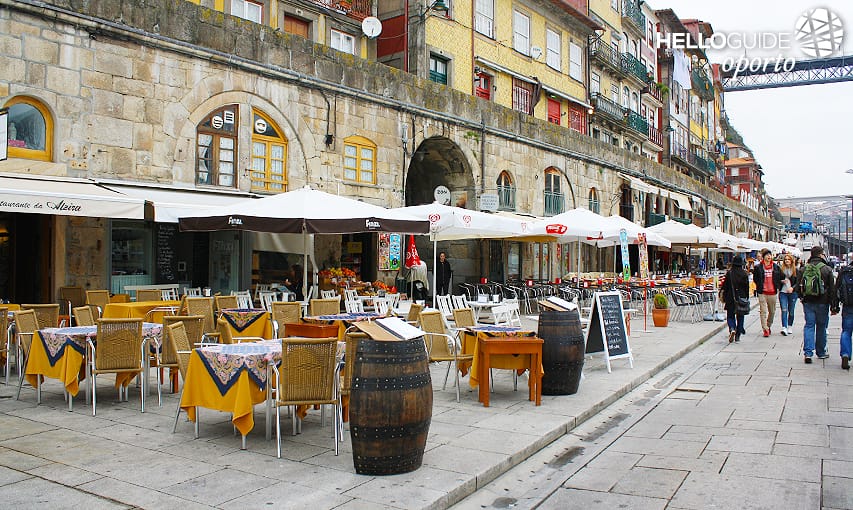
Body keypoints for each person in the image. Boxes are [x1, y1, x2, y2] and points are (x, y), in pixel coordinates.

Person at [797, 245, 836, 364]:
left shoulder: (804, 269)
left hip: (808, 302)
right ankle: (821, 352)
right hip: (823, 302)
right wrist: (834, 305)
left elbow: (798, 285)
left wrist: (801, 297)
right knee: (821, 327)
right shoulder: (827, 269)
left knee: (809, 325)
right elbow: (832, 289)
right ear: (820, 254)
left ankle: (808, 353)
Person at [752, 248, 783, 337]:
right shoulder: (758, 267)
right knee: (763, 311)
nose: (769, 256)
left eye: (770, 255)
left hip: (772, 292)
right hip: (763, 292)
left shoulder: (776, 267)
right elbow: (755, 279)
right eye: (767, 255)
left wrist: (779, 285)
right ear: (763, 257)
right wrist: (759, 286)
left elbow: (781, 276)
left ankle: (768, 325)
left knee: (772, 311)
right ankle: (765, 329)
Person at [722, 255, 750, 343]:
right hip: (741, 297)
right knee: (740, 316)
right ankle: (738, 335)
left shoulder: (729, 273)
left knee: (730, 315)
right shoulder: (744, 274)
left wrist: (724, 296)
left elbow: (725, 286)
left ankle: (732, 328)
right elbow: (747, 287)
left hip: (730, 297)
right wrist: (746, 297)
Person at [833, 263, 853, 370]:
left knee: (846, 331)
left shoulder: (845, 271)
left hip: (848, 306)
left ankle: (845, 354)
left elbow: (837, 288)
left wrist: (835, 306)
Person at [777, 254, 799, 336]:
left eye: (788, 259)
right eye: (785, 259)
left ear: (791, 261)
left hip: (792, 293)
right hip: (783, 292)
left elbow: (798, 282)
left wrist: (793, 288)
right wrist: (781, 281)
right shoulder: (781, 270)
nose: (786, 261)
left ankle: (790, 326)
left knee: (791, 311)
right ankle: (784, 327)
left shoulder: (795, 270)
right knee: (784, 309)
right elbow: (777, 279)